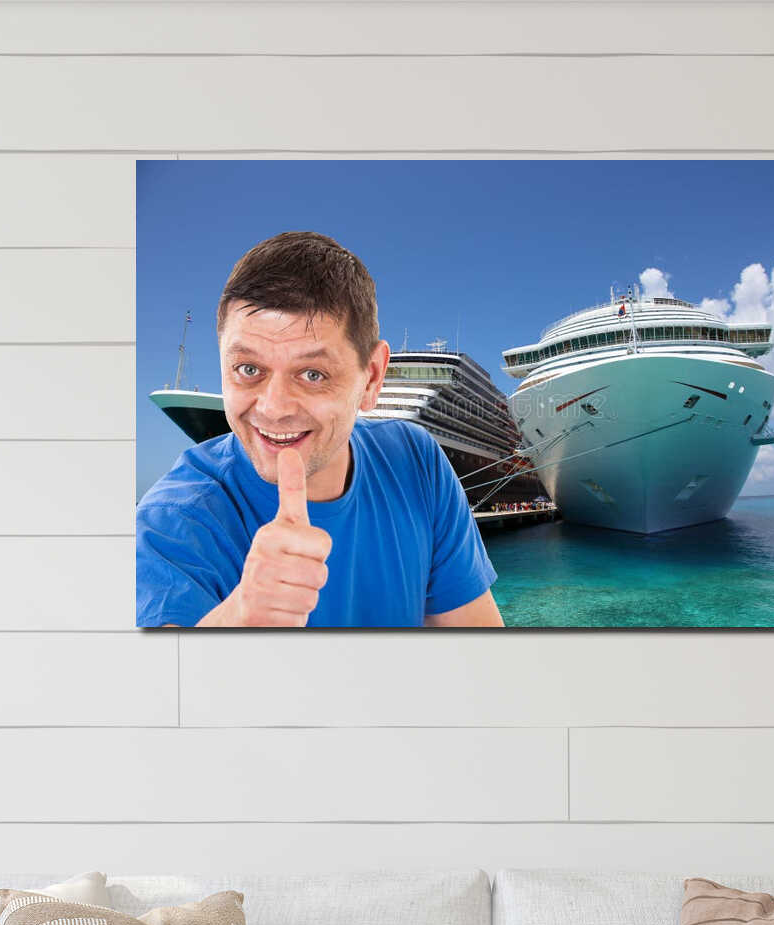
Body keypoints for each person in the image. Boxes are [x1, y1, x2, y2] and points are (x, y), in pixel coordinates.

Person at [136, 231, 503, 628]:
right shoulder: (171, 523)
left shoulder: (417, 461)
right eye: (248, 369)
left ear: (372, 378)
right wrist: (238, 621)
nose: (273, 408)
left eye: (313, 374)